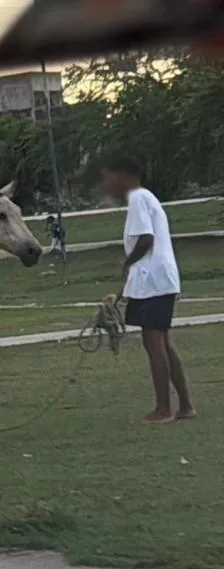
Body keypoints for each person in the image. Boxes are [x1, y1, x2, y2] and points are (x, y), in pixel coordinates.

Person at [101, 156, 195, 424]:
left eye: (109, 178)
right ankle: (185, 405)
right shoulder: (146, 199)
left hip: (155, 281)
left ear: (122, 176)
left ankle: (163, 409)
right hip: (153, 280)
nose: (108, 185)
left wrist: (125, 262)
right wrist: (119, 292)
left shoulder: (139, 199)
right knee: (163, 341)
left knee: (154, 342)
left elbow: (145, 241)